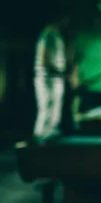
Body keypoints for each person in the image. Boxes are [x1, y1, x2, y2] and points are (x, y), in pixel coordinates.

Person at [33, 13, 70, 142]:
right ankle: (39, 140)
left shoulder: (54, 34)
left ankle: (48, 138)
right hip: (47, 79)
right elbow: (45, 59)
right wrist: (60, 72)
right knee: (46, 110)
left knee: (53, 111)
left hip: (54, 79)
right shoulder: (49, 34)